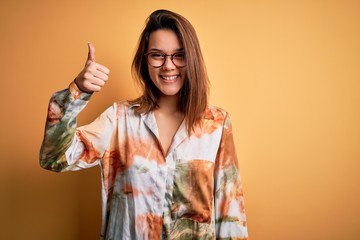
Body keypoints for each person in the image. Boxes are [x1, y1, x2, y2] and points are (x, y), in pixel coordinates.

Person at [40, 9, 248, 240]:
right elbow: (55, 158)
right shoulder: (119, 119)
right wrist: (77, 91)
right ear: (145, 60)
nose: (169, 66)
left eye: (179, 55)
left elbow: (230, 214)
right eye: (157, 55)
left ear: (193, 59)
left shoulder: (217, 124)